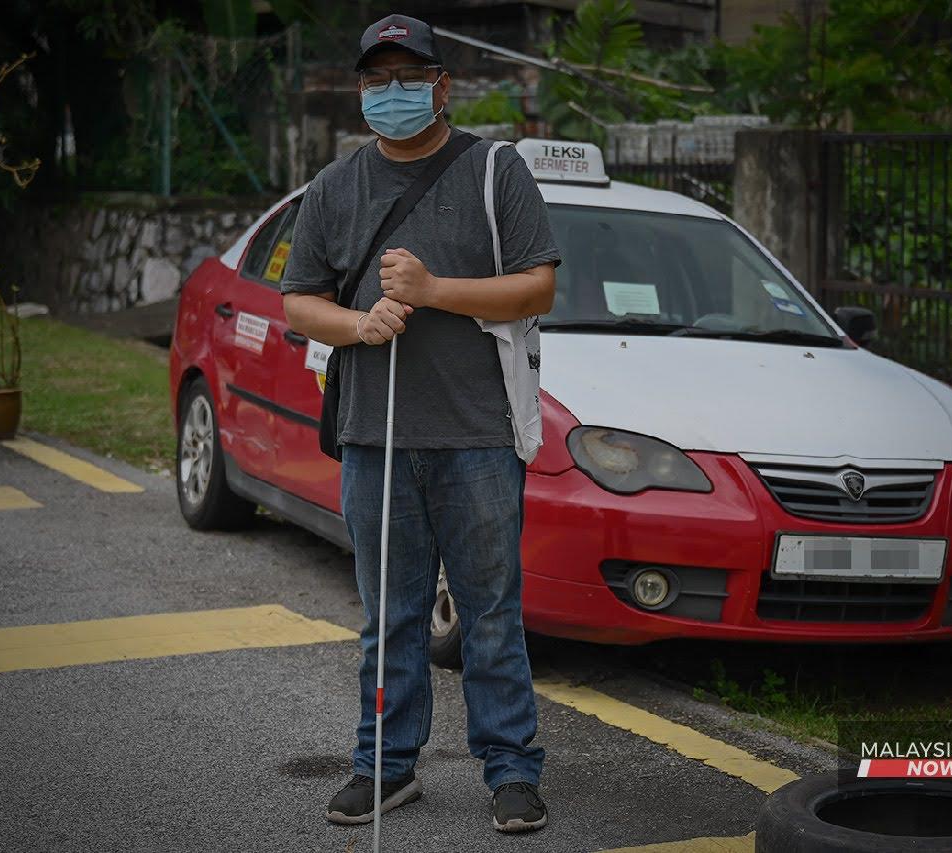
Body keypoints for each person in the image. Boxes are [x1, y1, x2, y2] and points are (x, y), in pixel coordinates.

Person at [278, 13, 560, 835]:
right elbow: (299, 303)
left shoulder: (494, 171)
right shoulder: (335, 187)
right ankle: (383, 766)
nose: (391, 94)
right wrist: (356, 325)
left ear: (442, 86)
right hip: (378, 436)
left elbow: (537, 288)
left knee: (490, 612)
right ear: (360, 92)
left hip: (476, 433)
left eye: (408, 79)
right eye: (376, 81)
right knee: (389, 615)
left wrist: (435, 290)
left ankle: (511, 769)